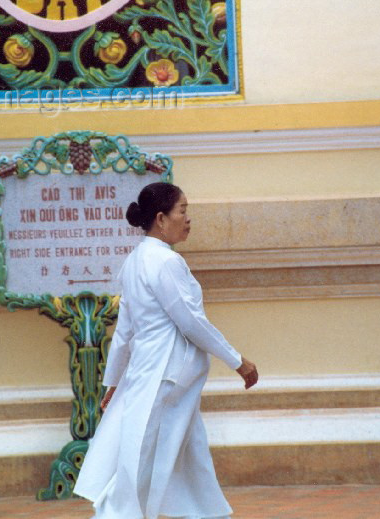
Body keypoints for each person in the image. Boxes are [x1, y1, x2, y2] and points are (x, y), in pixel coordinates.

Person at [74, 182, 259, 519]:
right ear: (161, 218)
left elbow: (125, 332)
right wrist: (238, 361)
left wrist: (113, 380)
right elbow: (191, 322)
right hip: (165, 375)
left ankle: (204, 513)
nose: (188, 219)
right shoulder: (164, 263)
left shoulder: (134, 261)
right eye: (183, 211)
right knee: (144, 458)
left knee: (188, 455)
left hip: (155, 374)